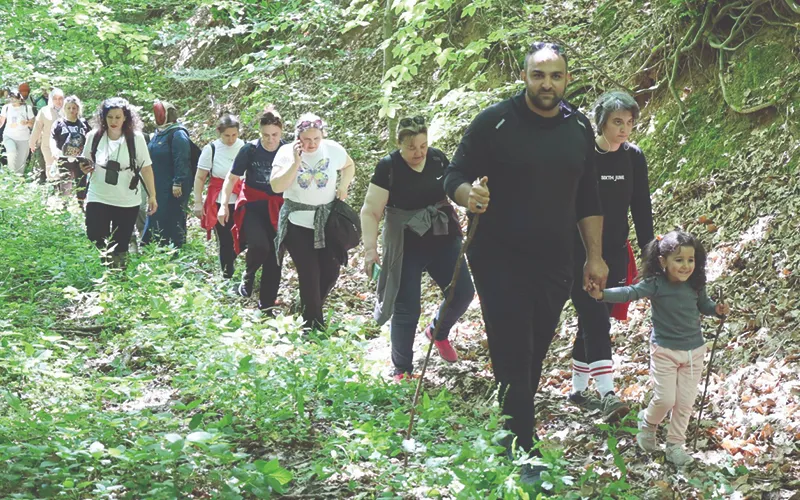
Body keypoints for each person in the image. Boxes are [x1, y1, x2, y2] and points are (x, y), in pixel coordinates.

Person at [444, 41, 608, 484]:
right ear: (524, 77)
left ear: (567, 79)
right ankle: (521, 442)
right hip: (498, 256)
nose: (547, 84)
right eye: (539, 75)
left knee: (535, 344)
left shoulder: (578, 127)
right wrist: (468, 196)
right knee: (514, 341)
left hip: (557, 259)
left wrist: (594, 256)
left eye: (556, 75)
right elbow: (452, 175)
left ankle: (508, 418)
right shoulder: (494, 122)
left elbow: (588, 197)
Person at [587, 230, 730, 466]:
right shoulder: (656, 284)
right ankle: (648, 423)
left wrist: (717, 309)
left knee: (684, 402)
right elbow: (629, 292)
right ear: (663, 261)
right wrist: (602, 294)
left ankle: (675, 445)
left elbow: (704, 305)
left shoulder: (695, 284)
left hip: (694, 351)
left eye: (690, 260)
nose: (686, 266)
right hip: (664, 350)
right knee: (664, 399)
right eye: (679, 260)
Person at [361, 116, 474, 381]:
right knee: (407, 308)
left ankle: (438, 331)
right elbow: (371, 210)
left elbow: (456, 189)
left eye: (423, 145)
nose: (418, 153)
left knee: (462, 292)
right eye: (412, 147)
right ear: (399, 143)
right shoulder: (388, 167)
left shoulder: (437, 159)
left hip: (441, 234)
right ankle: (402, 368)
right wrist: (370, 249)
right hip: (406, 241)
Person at [567, 90, 654, 421]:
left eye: (630, 123)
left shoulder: (634, 157)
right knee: (595, 316)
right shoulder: (584, 157)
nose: (624, 129)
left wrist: (650, 255)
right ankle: (607, 393)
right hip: (582, 253)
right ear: (601, 121)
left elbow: (641, 210)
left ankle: (577, 390)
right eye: (617, 121)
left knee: (593, 318)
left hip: (617, 252)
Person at [271, 113, 356, 330]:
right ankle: (313, 327)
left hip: (327, 222)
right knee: (309, 273)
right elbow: (277, 186)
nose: (311, 144)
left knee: (330, 271)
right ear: (298, 137)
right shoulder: (285, 153)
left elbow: (349, 165)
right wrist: (295, 163)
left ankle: (308, 306)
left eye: (316, 139)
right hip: (297, 222)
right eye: (306, 139)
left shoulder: (332, 149)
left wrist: (343, 186)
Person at [217, 107, 286, 310]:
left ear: (281, 132)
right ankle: (248, 275)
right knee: (259, 245)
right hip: (253, 204)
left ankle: (266, 304)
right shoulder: (250, 149)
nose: (270, 139)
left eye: (274, 135)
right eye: (266, 135)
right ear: (260, 132)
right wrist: (223, 205)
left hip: (279, 206)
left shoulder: (288, 150)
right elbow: (231, 178)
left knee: (275, 256)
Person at [80, 98, 157, 268]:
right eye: (110, 117)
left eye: (118, 117)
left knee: (121, 242)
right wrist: (85, 168)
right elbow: (85, 161)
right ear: (103, 118)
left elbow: (146, 168)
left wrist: (152, 195)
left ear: (125, 118)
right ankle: (100, 272)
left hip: (126, 198)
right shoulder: (94, 136)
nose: (114, 121)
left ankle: (119, 276)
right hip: (98, 195)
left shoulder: (136, 139)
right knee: (95, 235)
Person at [193, 114, 245, 279]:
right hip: (219, 201)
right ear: (219, 133)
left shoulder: (244, 147)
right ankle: (227, 276)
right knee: (225, 240)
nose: (231, 139)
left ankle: (236, 268)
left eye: (234, 135)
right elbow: (200, 177)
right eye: (227, 136)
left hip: (241, 200)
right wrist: (198, 202)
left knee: (243, 238)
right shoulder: (211, 149)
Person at [143, 100, 191, 248]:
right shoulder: (158, 134)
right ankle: (154, 247)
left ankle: (176, 248)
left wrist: (178, 182)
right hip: (158, 184)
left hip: (172, 186)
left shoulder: (178, 133)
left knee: (173, 216)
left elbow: (182, 158)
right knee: (156, 214)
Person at [51, 95, 91, 201]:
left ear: (78, 109)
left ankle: (81, 207)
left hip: (80, 158)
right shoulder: (59, 124)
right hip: (63, 158)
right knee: (65, 184)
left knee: (81, 184)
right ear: (64, 109)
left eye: (74, 108)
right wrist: (54, 151)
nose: (71, 110)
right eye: (68, 108)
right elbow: (52, 139)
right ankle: (64, 207)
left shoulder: (83, 124)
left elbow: (90, 139)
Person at [29, 88, 64, 181]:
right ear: (51, 99)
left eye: (60, 98)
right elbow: (37, 128)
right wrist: (32, 142)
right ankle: (53, 187)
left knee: (63, 168)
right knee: (50, 165)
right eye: (55, 98)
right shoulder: (44, 111)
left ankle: (64, 190)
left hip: (64, 146)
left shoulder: (68, 110)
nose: (58, 101)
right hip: (47, 144)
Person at [0, 88, 35, 175]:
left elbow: (33, 124)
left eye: (15, 98)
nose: (13, 101)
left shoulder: (27, 108)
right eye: (11, 98)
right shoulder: (6, 108)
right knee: (12, 152)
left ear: (20, 98)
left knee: (20, 162)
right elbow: (1, 121)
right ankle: (11, 174)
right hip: (9, 136)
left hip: (24, 138)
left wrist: (26, 123)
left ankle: (18, 180)